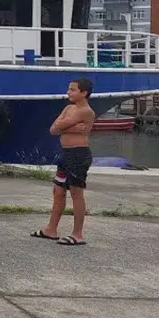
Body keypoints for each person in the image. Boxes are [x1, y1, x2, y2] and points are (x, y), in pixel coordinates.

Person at [34, 78, 96, 246]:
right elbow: (53, 129)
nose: (69, 92)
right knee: (58, 191)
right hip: (65, 153)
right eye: (69, 89)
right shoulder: (68, 108)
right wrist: (71, 128)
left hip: (78, 154)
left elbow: (61, 125)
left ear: (84, 93)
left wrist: (64, 126)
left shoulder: (86, 111)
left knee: (76, 193)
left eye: (73, 90)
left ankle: (77, 234)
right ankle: (51, 229)